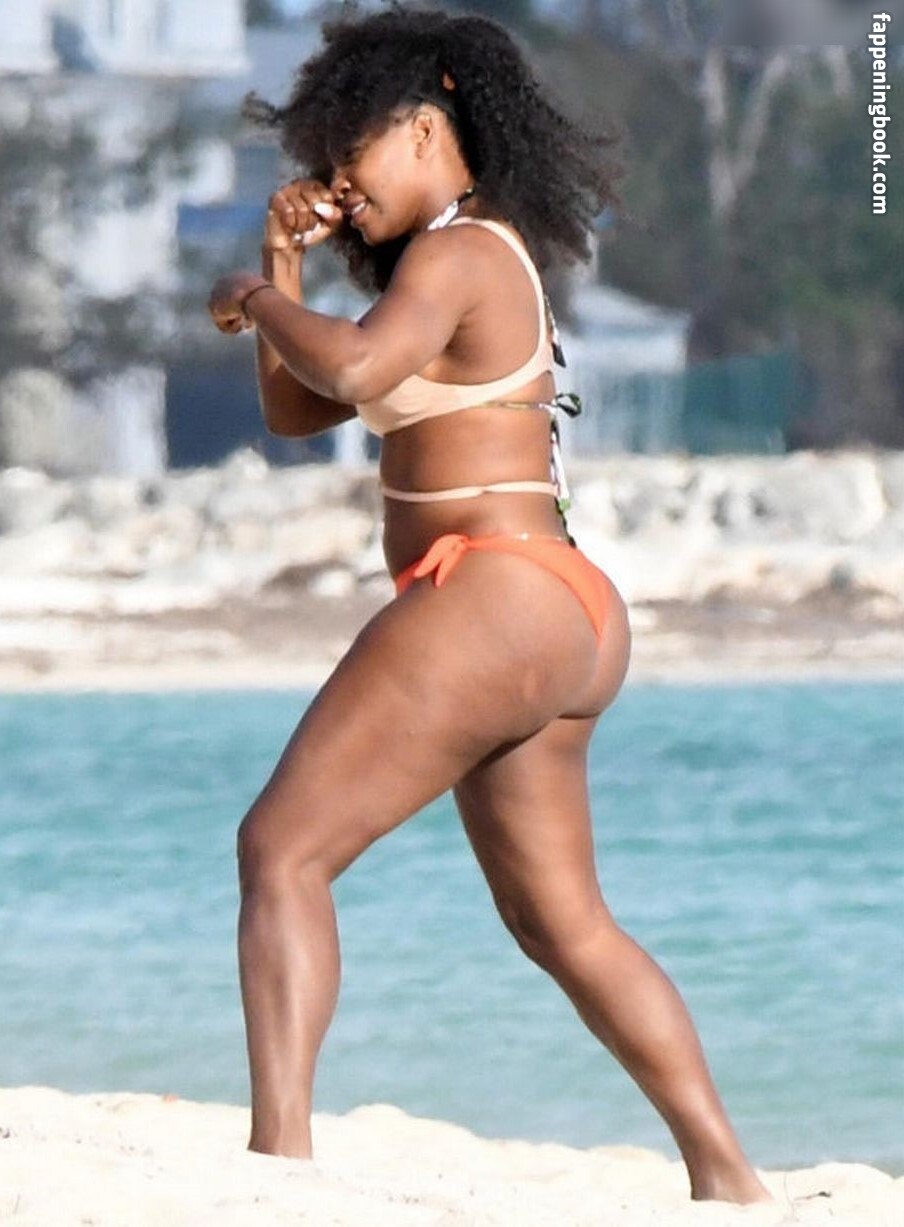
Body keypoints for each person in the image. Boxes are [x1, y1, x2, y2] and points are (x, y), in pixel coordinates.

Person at [207, 4, 770, 1204]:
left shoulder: (462, 252)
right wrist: (283, 264)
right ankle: (728, 1180)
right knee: (561, 925)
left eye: (349, 152)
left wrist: (253, 298)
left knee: (281, 850)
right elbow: (300, 409)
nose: (336, 182)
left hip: (496, 594)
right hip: (556, 613)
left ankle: (276, 1169)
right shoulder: (450, 261)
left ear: (423, 129)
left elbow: (349, 366)